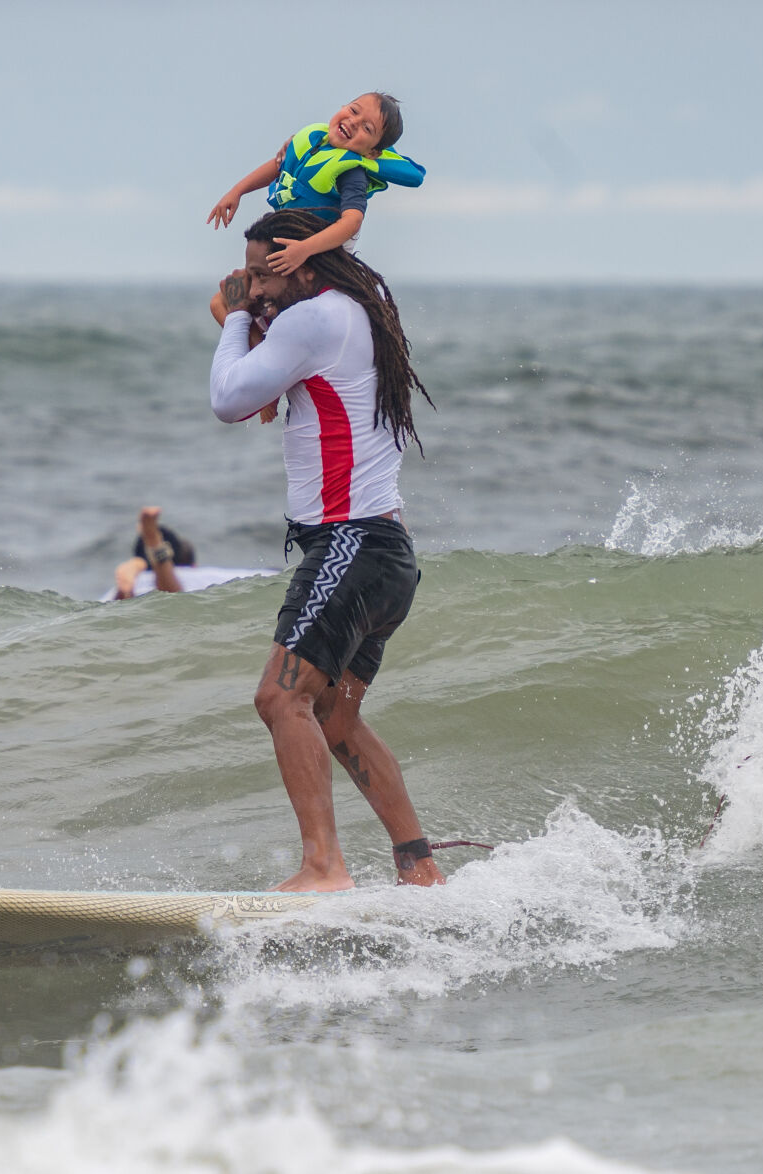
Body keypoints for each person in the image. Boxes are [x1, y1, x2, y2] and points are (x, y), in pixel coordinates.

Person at [208, 208, 441, 892]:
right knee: (334, 716)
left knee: (281, 702)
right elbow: (265, 391)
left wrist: (229, 318)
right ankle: (419, 867)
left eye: (263, 273)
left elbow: (228, 399)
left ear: (302, 263)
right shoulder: (362, 311)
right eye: (249, 277)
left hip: (348, 542)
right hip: (387, 555)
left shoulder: (311, 320)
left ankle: (323, 866)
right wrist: (253, 313)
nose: (256, 288)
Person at [208, 92, 424, 276]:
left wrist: (304, 249)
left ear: (373, 152)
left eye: (367, 128)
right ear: (343, 106)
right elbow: (279, 167)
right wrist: (237, 192)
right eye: (354, 110)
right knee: (221, 301)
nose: (353, 122)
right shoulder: (314, 141)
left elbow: (352, 222)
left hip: (320, 257)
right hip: (290, 242)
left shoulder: (352, 172)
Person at [112, 506, 197, 600]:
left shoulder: (138, 580)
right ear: (193, 565)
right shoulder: (205, 574)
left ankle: (154, 553)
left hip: (133, 595)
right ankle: (157, 551)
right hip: (180, 596)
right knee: (174, 598)